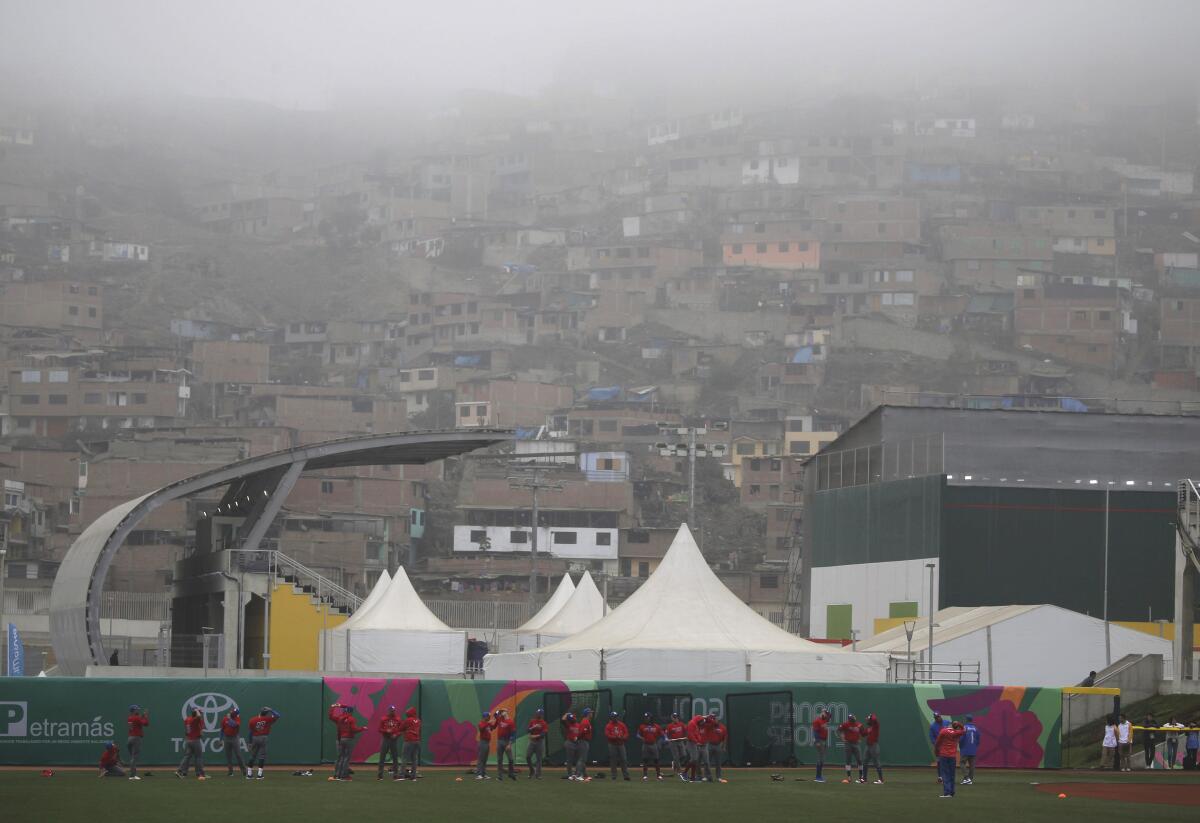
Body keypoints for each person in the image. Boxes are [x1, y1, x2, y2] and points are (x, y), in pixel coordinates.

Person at [329, 703, 365, 781]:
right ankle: (344, 776)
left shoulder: (339, 718)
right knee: (346, 758)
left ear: (344, 711)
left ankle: (337, 775)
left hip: (339, 739)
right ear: (350, 712)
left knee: (340, 758)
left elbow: (330, 716)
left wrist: (334, 707)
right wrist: (363, 728)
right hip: (348, 739)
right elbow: (354, 730)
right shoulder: (351, 718)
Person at [246, 707, 280, 780]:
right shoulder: (268, 719)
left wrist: (249, 742)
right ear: (266, 713)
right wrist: (271, 710)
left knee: (252, 756)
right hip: (263, 738)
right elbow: (278, 715)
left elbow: (250, 732)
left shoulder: (252, 719)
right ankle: (259, 774)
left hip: (255, 738)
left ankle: (249, 774)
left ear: (260, 712)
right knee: (262, 756)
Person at [935, 720, 965, 797]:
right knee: (952, 774)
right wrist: (959, 724)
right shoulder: (957, 732)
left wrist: (936, 751)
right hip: (952, 756)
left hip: (944, 755)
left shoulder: (943, 731)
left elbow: (937, 742)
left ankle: (947, 792)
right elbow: (964, 730)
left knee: (945, 774)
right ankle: (951, 792)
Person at [177, 708, 207, 779]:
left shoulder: (187, 719)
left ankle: (181, 771)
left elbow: (187, 731)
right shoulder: (195, 719)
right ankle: (201, 774)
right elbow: (199, 717)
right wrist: (197, 711)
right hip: (195, 740)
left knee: (187, 756)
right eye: (200, 713)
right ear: (196, 713)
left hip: (189, 740)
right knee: (198, 757)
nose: (201, 714)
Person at [636, 712, 664, 781]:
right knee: (645, 760)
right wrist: (641, 738)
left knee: (656, 760)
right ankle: (645, 776)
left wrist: (662, 741)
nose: (646, 719)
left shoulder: (656, 726)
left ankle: (658, 776)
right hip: (645, 745)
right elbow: (638, 735)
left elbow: (662, 735)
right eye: (645, 717)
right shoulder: (642, 726)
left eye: (648, 717)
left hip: (653, 744)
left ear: (651, 718)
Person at [376, 705, 401, 780]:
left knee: (395, 758)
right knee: (382, 757)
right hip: (386, 739)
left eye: (393, 710)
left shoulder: (398, 719)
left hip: (393, 740)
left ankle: (395, 775)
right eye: (391, 710)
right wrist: (386, 731)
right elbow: (379, 729)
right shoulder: (384, 719)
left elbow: (401, 730)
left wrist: (396, 735)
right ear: (388, 711)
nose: (392, 712)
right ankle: (380, 775)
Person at [220, 707, 246, 777]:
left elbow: (234, 725)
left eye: (235, 713)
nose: (235, 714)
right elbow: (222, 730)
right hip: (226, 737)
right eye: (234, 713)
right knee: (228, 756)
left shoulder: (237, 718)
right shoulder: (224, 719)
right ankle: (230, 771)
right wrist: (221, 739)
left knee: (238, 754)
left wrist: (229, 719)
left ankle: (244, 770)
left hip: (235, 737)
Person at [605, 711, 631, 781]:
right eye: (613, 717)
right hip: (612, 744)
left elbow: (626, 733)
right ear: (611, 717)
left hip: (621, 744)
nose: (615, 718)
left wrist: (623, 737)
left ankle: (626, 776)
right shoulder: (608, 725)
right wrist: (615, 737)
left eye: (616, 716)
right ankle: (614, 776)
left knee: (624, 760)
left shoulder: (622, 724)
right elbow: (607, 735)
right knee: (613, 761)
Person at [837, 714, 863, 783]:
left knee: (859, 760)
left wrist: (860, 738)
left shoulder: (858, 724)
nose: (852, 720)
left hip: (856, 744)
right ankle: (849, 777)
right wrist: (842, 737)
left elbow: (862, 732)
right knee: (848, 760)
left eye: (853, 718)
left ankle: (861, 776)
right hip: (848, 743)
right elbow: (839, 730)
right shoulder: (846, 724)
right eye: (851, 719)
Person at [125, 704, 148, 781]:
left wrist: (142, 716)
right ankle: (132, 776)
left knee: (132, 757)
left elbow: (137, 722)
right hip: (136, 738)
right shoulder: (137, 718)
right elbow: (146, 724)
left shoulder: (130, 718)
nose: (138, 710)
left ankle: (132, 774)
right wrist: (145, 716)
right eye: (136, 709)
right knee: (134, 758)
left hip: (130, 738)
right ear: (133, 710)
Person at [399, 706, 422, 780]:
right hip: (417, 741)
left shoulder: (408, 720)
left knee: (404, 758)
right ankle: (413, 777)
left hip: (409, 741)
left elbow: (401, 728)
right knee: (414, 759)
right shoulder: (418, 720)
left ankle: (401, 776)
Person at [686, 711, 710, 783]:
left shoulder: (704, 725)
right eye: (702, 721)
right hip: (695, 744)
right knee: (696, 760)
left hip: (703, 745)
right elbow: (691, 735)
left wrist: (708, 716)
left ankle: (706, 777)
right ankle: (691, 775)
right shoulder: (693, 724)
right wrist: (697, 742)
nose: (702, 723)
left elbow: (711, 722)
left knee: (705, 762)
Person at [665, 712, 689, 781]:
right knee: (676, 757)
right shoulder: (670, 726)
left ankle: (674, 763)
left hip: (680, 741)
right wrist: (668, 739)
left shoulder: (681, 724)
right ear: (672, 718)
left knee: (684, 755)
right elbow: (667, 734)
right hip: (673, 742)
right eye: (674, 717)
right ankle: (679, 772)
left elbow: (685, 731)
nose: (675, 719)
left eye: (676, 717)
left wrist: (686, 737)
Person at [493, 708, 516, 781]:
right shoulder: (499, 718)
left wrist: (509, 744)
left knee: (511, 759)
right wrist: (498, 711)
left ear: (506, 712)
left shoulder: (510, 722)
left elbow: (513, 734)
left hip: (506, 741)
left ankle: (511, 773)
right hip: (500, 741)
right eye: (501, 712)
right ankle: (500, 776)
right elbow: (495, 714)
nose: (501, 713)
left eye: (503, 711)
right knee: (499, 759)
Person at [861, 713, 883, 784]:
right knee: (865, 762)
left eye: (868, 720)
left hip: (874, 745)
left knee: (876, 762)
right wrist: (860, 728)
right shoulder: (868, 728)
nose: (867, 721)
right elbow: (863, 734)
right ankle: (864, 779)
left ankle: (881, 780)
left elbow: (874, 718)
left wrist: (870, 717)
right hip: (868, 746)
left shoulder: (876, 725)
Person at [706, 710, 728, 784]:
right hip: (710, 745)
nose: (714, 721)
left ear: (718, 720)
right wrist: (710, 717)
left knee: (718, 762)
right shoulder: (709, 726)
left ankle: (718, 777)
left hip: (718, 745)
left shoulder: (723, 728)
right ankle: (707, 776)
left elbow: (724, 738)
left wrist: (724, 747)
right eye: (713, 719)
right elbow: (706, 721)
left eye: (715, 719)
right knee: (707, 762)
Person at [526, 708, 548, 779]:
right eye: (537, 713)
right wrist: (533, 727)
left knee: (539, 759)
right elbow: (527, 730)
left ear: (542, 715)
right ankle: (532, 770)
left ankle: (538, 774)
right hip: (532, 742)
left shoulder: (543, 723)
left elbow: (544, 733)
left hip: (539, 742)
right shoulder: (532, 721)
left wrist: (535, 736)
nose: (538, 714)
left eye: (539, 713)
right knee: (528, 756)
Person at [959, 715, 980, 785]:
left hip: (965, 749)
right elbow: (978, 740)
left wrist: (960, 746)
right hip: (973, 749)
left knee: (962, 763)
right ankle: (970, 780)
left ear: (966, 720)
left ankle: (966, 778)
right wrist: (975, 747)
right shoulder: (976, 728)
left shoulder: (964, 728)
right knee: (972, 765)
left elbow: (961, 739)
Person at [575, 707, 594, 781]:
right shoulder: (585, 722)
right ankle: (578, 775)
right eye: (591, 712)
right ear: (588, 714)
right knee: (582, 759)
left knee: (583, 759)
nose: (592, 713)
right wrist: (578, 738)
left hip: (584, 741)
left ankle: (584, 775)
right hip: (583, 741)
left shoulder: (586, 721)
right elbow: (581, 733)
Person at [929, 712, 949, 782]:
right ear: (935, 718)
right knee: (940, 761)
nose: (938, 718)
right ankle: (940, 776)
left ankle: (946, 776)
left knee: (947, 761)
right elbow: (932, 738)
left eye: (939, 717)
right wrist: (937, 745)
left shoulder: (946, 722)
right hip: (939, 746)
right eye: (936, 717)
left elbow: (952, 728)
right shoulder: (932, 726)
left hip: (947, 745)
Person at [812, 709, 831, 783]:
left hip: (824, 740)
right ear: (822, 714)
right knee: (820, 758)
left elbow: (830, 716)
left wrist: (825, 712)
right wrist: (817, 741)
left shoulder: (825, 720)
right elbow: (815, 732)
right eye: (826, 714)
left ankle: (819, 775)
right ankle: (818, 777)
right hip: (819, 740)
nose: (827, 716)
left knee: (822, 758)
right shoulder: (817, 721)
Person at [561, 712, 580, 780]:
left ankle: (577, 773)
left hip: (577, 743)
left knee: (578, 759)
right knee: (570, 760)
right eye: (572, 718)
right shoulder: (568, 725)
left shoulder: (578, 725)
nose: (573, 719)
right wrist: (566, 714)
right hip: (570, 743)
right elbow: (563, 720)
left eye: (574, 718)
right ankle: (570, 774)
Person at [475, 712, 494, 780]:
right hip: (483, 742)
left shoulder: (487, 724)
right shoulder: (481, 723)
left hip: (487, 743)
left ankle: (483, 774)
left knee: (485, 759)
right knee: (481, 759)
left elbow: (492, 728)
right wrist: (489, 723)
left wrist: (496, 720)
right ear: (485, 717)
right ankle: (479, 774)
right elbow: (481, 728)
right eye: (488, 716)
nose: (489, 717)